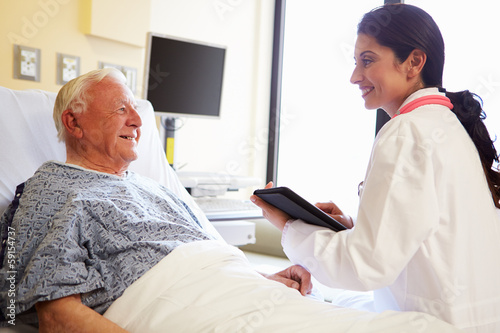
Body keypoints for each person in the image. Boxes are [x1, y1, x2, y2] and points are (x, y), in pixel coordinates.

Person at [0, 68, 462, 333]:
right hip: (172, 305)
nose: (136, 120)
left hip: (237, 290)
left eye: (136, 110)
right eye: (120, 108)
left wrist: (262, 276)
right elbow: (58, 314)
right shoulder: (53, 189)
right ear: (74, 123)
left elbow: (195, 257)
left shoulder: (153, 187)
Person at [251, 3, 500, 333]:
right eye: (355, 62)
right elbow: (436, 229)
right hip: (471, 320)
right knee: (334, 297)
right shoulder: (446, 125)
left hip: (432, 323)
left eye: (367, 61)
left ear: (414, 62)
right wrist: (358, 224)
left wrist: (289, 226)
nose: (355, 76)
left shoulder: (405, 130)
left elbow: (365, 265)